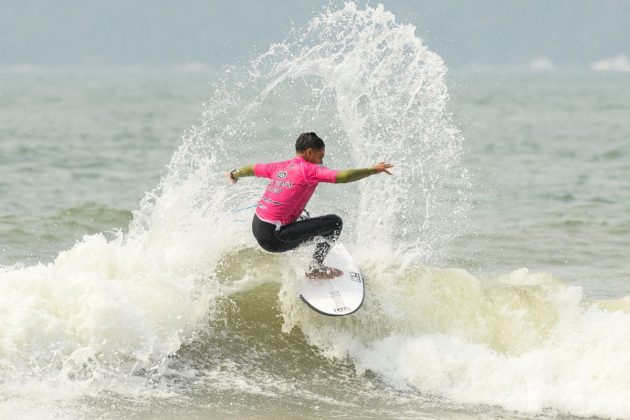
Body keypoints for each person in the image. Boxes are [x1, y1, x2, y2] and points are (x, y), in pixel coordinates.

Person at [226, 132, 393, 279]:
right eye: (320, 156)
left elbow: (250, 169)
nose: (321, 161)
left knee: (304, 214)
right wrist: (373, 169)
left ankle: (296, 250)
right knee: (334, 223)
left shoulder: (279, 166)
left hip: (257, 227)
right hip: (273, 239)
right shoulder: (310, 170)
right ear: (309, 152)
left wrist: (234, 174)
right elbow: (344, 176)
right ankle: (315, 268)